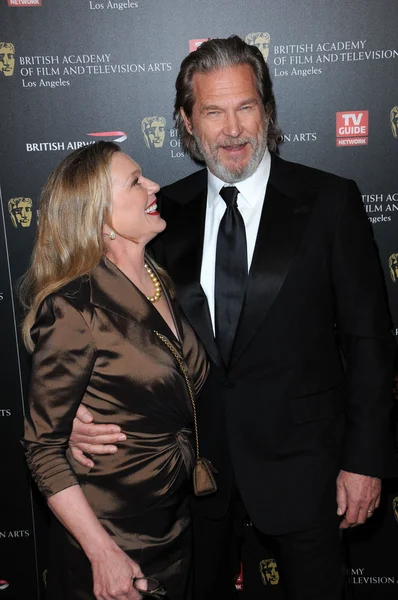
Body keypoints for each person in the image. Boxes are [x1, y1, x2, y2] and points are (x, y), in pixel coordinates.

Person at [70, 37, 397, 600]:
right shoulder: (158, 214)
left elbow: (370, 341)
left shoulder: (329, 201)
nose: (233, 129)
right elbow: (102, 326)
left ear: (266, 110)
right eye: (213, 111)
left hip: (309, 470)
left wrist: (365, 460)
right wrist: (74, 407)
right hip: (191, 478)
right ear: (186, 121)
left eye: (245, 106)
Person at [21, 141, 208, 600]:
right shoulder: (75, 308)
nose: (154, 185)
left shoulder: (161, 278)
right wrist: (101, 553)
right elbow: (42, 449)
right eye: (135, 181)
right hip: (112, 539)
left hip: (175, 523)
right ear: (99, 217)